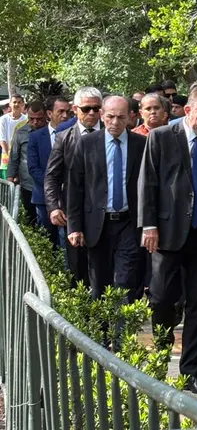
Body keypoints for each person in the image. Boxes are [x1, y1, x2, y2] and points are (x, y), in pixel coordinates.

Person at [138, 84, 197, 396]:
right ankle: (160, 364)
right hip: (166, 232)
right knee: (161, 299)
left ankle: (191, 373)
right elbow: (148, 183)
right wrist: (148, 226)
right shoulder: (162, 137)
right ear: (188, 111)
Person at [66, 96, 146, 303]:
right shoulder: (87, 143)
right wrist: (74, 227)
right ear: (102, 115)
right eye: (110, 117)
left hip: (129, 223)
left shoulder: (141, 144)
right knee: (99, 283)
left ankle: (120, 334)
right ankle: (101, 334)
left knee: (125, 281)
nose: (115, 122)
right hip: (97, 225)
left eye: (121, 117)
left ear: (130, 117)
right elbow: (75, 187)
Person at [45, 87, 103, 285]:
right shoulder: (64, 137)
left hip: (107, 212)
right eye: (87, 109)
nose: (92, 113)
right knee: (77, 266)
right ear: (75, 109)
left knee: (105, 269)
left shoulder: (113, 135)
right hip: (74, 212)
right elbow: (52, 176)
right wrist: (53, 207)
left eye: (97, 108)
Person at [28, 97, 71, 247]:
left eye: (68, 112)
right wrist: (52, 187)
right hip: (43, 199)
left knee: (68, 244)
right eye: (60, 111)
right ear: (49, 113)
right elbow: (33, 168)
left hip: (70, 199)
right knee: (48, 242)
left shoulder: (75, 135)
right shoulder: (36, 137)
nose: (65, 116)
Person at [8, 101, 46, 223]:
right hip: (27, 184)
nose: (35, 122)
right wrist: (10, 178)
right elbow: (14, 157)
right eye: (31, 119)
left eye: (39, 119)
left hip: (47, 183)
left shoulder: (53, 132)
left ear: (46, 115)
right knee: (31, 218)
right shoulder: (20, 132)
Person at [0, 94, 27, 177]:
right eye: (14, 102)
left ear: (22, 104)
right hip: (6, 156)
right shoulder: (3, 119)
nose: (16, 104)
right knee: (6, 184)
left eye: (19, 102)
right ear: (10, 104)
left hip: (22, 158)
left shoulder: (26, 119)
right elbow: (2, 139)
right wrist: (10, 157)